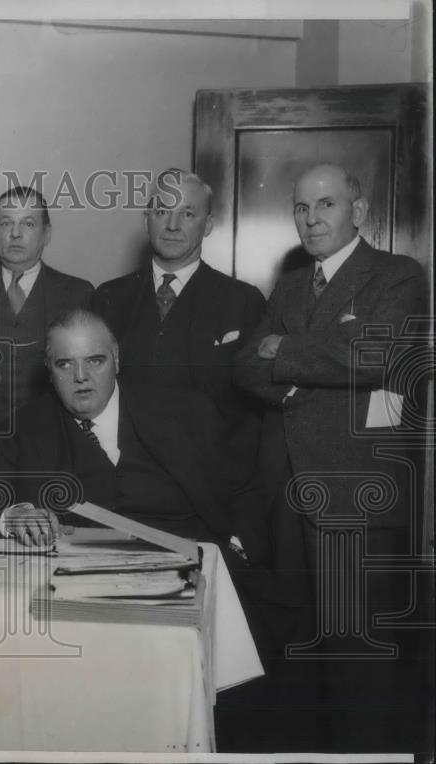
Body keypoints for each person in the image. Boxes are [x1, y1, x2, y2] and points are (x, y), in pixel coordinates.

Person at [233, 163, 428, 751]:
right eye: (301, 207)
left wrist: (284, 353)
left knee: (358, 665)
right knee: (297, 659)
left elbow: (375, 353)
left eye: (327, 205)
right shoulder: (291, 285)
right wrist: (303, 374)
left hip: (357, 501)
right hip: (288, 497)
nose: (312, 218)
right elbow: (244, 366)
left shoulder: (398, 275)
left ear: (359, 212)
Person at [0, 308, 267, 557]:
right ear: (49, 372)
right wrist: (13, 515)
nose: (80, 376)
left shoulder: (186, 413)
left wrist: (237, 549)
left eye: (95, 360)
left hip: (189, 559)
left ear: (116, 358)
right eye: (65, 364)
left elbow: (246, 491)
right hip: (73, 574)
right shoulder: (19, 428)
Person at [90, 169, 264, 468]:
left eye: (187, 214)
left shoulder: (244, 301)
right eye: (162, 211)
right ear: (146, 220)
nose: (172, 225)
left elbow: (253, 414)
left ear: (208, 224)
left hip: (209, 480)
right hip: (121, 475)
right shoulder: (109, 297)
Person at [0, 186, 93, 428]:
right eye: (6, 224)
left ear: (46, 233)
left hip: (53, 435)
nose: (15, 233)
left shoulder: (78, 294)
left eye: (28, 224)